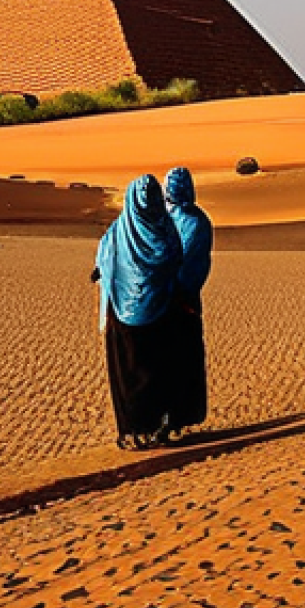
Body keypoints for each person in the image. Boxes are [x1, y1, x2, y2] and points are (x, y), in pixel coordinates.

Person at [94, 174, 183, 449]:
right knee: (157, 370)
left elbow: (104, 261)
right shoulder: (166, 229)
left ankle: (132, 431)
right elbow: (175, 260)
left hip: (122, 312)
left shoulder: (117, 231)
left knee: (126, 373)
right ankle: (152, 428)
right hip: (160, 309)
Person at [164, 166, 213, 433]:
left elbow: (194, 264)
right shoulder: (170, 217)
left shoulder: (195, 223)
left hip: (182, 301)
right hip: (169, 299)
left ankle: (180, 417)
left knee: (183, 359)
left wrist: (178, 293)